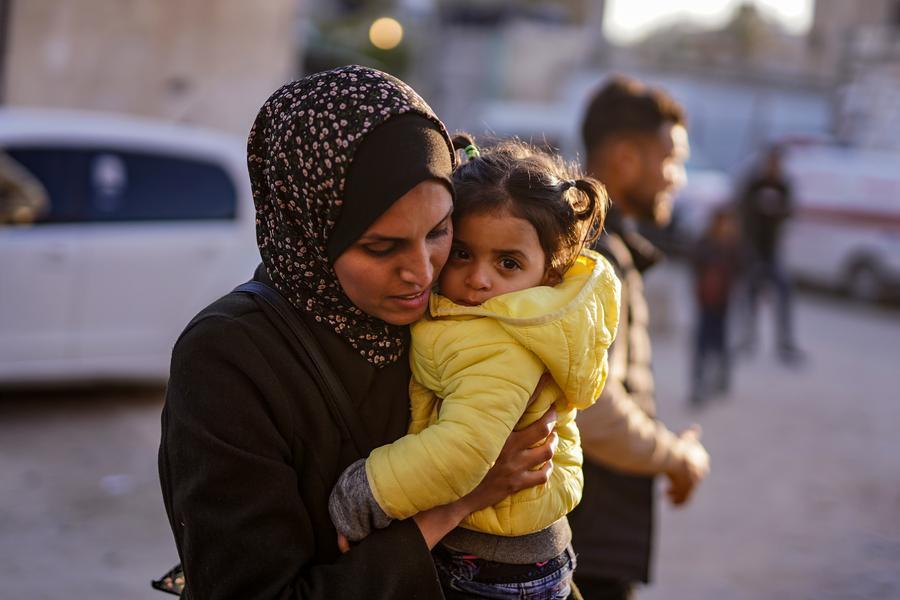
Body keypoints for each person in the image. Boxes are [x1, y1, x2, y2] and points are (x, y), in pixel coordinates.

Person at [158, 65, 558, 600]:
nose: (421, 271)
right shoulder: (229, 358)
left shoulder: (454, 310)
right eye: (381, 247)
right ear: (308, 230)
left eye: (440, 232)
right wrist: (457, 501)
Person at [328, 136, 620, 599]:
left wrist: (364, 494)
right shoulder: (498, 316)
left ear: (549, 273)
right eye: (462, 253)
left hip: (491, 565)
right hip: (519, 546)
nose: (479, 278)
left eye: (508, 262)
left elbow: (462, 451)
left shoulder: (499, 339)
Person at [567, 75, 710, 599]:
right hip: (587, 539)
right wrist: (675, 456)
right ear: (625, 157)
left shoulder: (599, 245)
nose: (677, 178)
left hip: (590, 532)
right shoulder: (598, 258)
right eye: (670, 160)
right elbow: (594, 408)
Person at [736, 144, 802, 363]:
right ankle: (748, 338)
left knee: (784, 293)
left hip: (772, 250)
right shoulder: (754, 184)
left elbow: (790, 212)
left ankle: (785, 342)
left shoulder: (783, 185)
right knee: (750, 295)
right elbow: (741, 211)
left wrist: (777, 211)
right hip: (753, 249)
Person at [689, 207, 742, 406]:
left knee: (720, 342)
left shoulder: (733, 247)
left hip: (724, 302)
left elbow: (743, 268)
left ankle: (720, 379)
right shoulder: (706, 244)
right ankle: (700, 384)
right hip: (706, 301)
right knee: (702, 345)